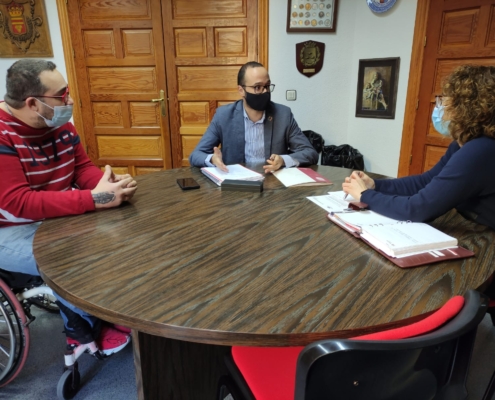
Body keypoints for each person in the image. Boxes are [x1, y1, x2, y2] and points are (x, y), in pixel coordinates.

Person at [0, 59, 138, 354]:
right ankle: (81, 331)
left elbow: (81, 169)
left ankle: (107, 310)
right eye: (62, 95)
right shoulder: (3, 134)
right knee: (70, 257)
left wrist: (107, 184)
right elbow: (18, 202)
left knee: (121, 231)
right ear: (33, 103)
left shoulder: (58, 123)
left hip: (54, 218)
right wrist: (95, 199)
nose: (70, 100)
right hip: (11, 229)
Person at [343, 64, 495, 231]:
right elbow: (426, 182)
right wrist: (375, 185)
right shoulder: (465, 143)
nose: (441, 106)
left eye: (445, 99)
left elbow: (417, 209)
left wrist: (366, 195)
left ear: (466, 107)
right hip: (471, 225)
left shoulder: (481, 150)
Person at [189, 61, 318, 173]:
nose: (264, 92)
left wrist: (283, 160)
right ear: (241, 90)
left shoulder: (283, 115)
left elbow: (310, 153)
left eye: (267, 86)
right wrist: (212, 159)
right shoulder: (223, 116)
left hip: (272, 185)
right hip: (237, 186)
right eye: (257, 87)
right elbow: (196, 155)